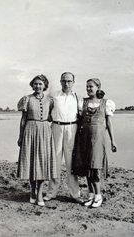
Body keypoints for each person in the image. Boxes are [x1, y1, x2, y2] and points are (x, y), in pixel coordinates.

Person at [72, 78, 117, 208]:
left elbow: (109, 123)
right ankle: (91, 195)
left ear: (98, 87)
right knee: (87, 166)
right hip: (83, 138)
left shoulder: (105, 103)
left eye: (91, 86)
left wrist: (113, 141)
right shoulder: (83, 102)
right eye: (87, 87)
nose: (88, 89)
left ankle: (98, 196)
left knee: (95, 165)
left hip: (97, 139)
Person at [17, 74, 57, 207]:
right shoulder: (26, 99)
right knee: (31, 162)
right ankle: (32, 192)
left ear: (45, 85)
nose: (38, 86)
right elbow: (23, 119)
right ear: (32, 85)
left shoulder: (50, 100)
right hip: (30, 130)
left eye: (40, 84)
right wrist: (21, 136)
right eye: (35, 84)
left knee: (42, 163)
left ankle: (40, 193)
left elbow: (51, 117)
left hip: (45, 132)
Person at [43, 72, 83, 203]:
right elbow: (46, 113)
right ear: (60, 82)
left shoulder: (78, 98)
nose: (67, 84)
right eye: (64, 81)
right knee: (55, 161)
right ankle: (51, 193)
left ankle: (75, 194)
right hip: (56, 127)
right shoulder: (53, 96)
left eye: (69, 81)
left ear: (73, 82)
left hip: (72, 128)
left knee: (72, 163)